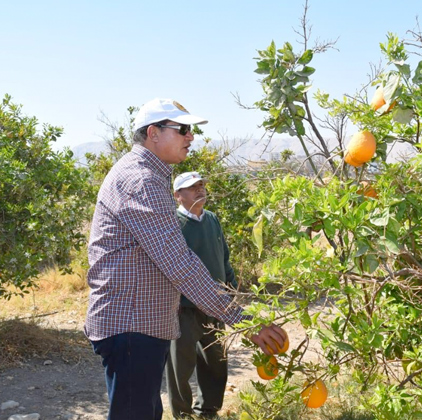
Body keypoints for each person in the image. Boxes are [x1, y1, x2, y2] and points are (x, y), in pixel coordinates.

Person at [84, 98, 287, 420]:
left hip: (140, 324)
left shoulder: (146, 175)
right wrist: (243, 319)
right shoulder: (142, 180)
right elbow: (178, 263)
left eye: (190, 130)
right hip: (132, 326)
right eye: (182, 129)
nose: (190, 137)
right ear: (153, 133)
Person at [165, 171, 237, 418]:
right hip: (183, 309)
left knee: (216, 362)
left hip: (216, 306)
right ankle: (183, 415)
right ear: (177, 196)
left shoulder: (213, 219)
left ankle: (208, 411)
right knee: (180, 369)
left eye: (201, 185)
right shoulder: (172, 223)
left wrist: (231, 287)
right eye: (192, 187)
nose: (199, 189)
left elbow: (223, 257)